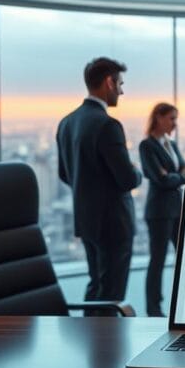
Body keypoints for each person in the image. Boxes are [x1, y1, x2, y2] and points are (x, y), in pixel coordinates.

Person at [57, 57, 143, 316]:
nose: (122, 91)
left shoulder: (67, 122)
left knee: (96, 287)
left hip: (87, 221)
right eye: (120, 84)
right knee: (112, 295)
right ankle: (105, 352)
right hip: (114, 223)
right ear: (108, 82)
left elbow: (65, 173)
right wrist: (138, 172)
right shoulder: (107, 125)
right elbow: (127, 179)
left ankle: (91, 345)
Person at [138, 103, 185, 317]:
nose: (175, 124)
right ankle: (154, 309)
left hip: (177, 209)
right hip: (159, 212)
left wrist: (173, 176)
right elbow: (160, 179)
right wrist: (178, 176)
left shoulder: (171, 145)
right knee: (158, 260)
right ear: (159, 118)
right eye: (171, 118)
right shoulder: (147, 146)